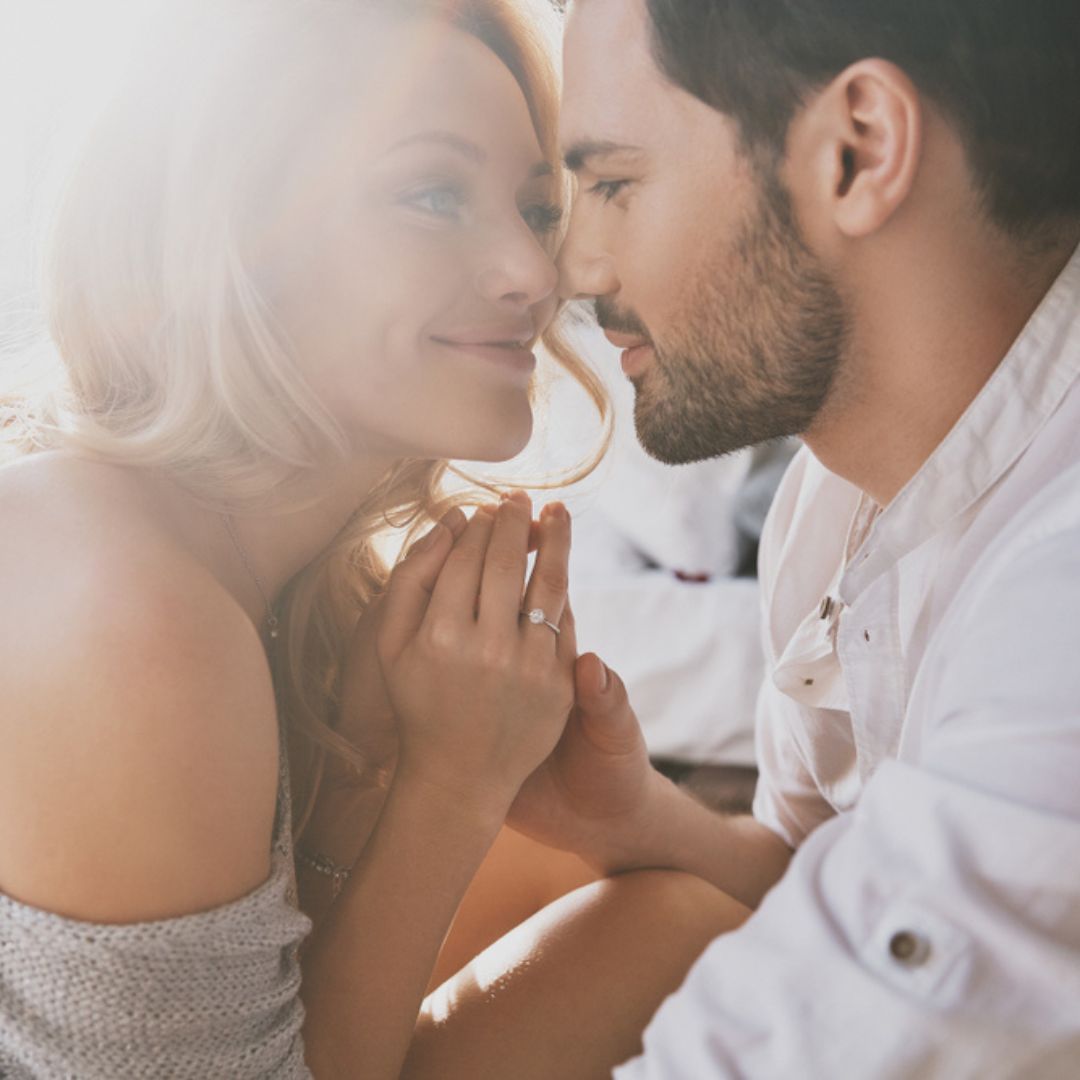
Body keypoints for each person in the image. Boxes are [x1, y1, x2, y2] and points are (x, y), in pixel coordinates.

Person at [0, 1, 718, 1076]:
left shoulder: (286, 588)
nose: (535, 272)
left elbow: (799, 907)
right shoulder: (130, 615)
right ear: (225, 241)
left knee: (662, 914)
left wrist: (627, 814)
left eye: (534, 207)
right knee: (674, 942)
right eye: (433, 193)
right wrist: (446, 790)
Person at [402, 0, 1080, 1076]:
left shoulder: (1056, 607)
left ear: (859, 152)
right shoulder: (840, 498)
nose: (572, 271)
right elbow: (825, 875)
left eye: (615, 185)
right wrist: (639, 820)